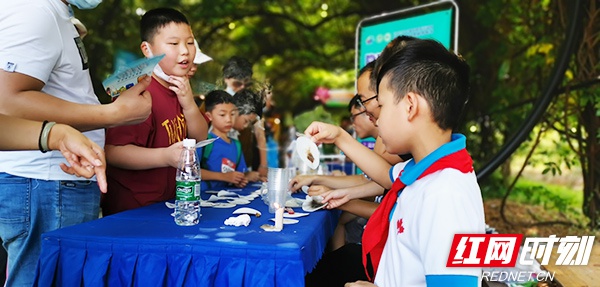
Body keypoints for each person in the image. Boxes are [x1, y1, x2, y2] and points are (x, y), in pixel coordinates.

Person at [304, 38, 485, 286]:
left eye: (382, 106)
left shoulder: (445, 194)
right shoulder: (423, 170)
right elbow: (385, 173)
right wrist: (339, 136)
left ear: (410, 106)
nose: (377, 120)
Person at [0, 0, 153, 285]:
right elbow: (8, 100)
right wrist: (113, 114)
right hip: (46, 182)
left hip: (55, 181)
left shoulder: (54, 14)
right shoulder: (35, 9)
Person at [102, 8, 208, 215]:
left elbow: (200, 136)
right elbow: (113, 151)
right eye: (174, 43)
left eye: (189, 42)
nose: (185, 51)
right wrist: (165, 156)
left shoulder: (180, 89)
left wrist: (188, 103)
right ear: (147, 50)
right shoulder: (138, 92)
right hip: (133, 211)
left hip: (169, 205)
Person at [198, 90, 255, 190]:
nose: (228, 119)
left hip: (227, 199)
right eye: (222, 115)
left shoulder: (237, 145)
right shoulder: (204, 141)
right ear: (209, 116)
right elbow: (191, 171)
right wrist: (224, 177)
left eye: (232, 114)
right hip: (203, 197)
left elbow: (239, 173)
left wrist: (239, 180)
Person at [222, 56, 268, 177]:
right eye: (237, 83)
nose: (242, 87)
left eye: (246, 84)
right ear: (226, 79)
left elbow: (260, 133)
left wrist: (263, 164)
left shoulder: (250, 100)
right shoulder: (215, 102)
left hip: (244, 162)